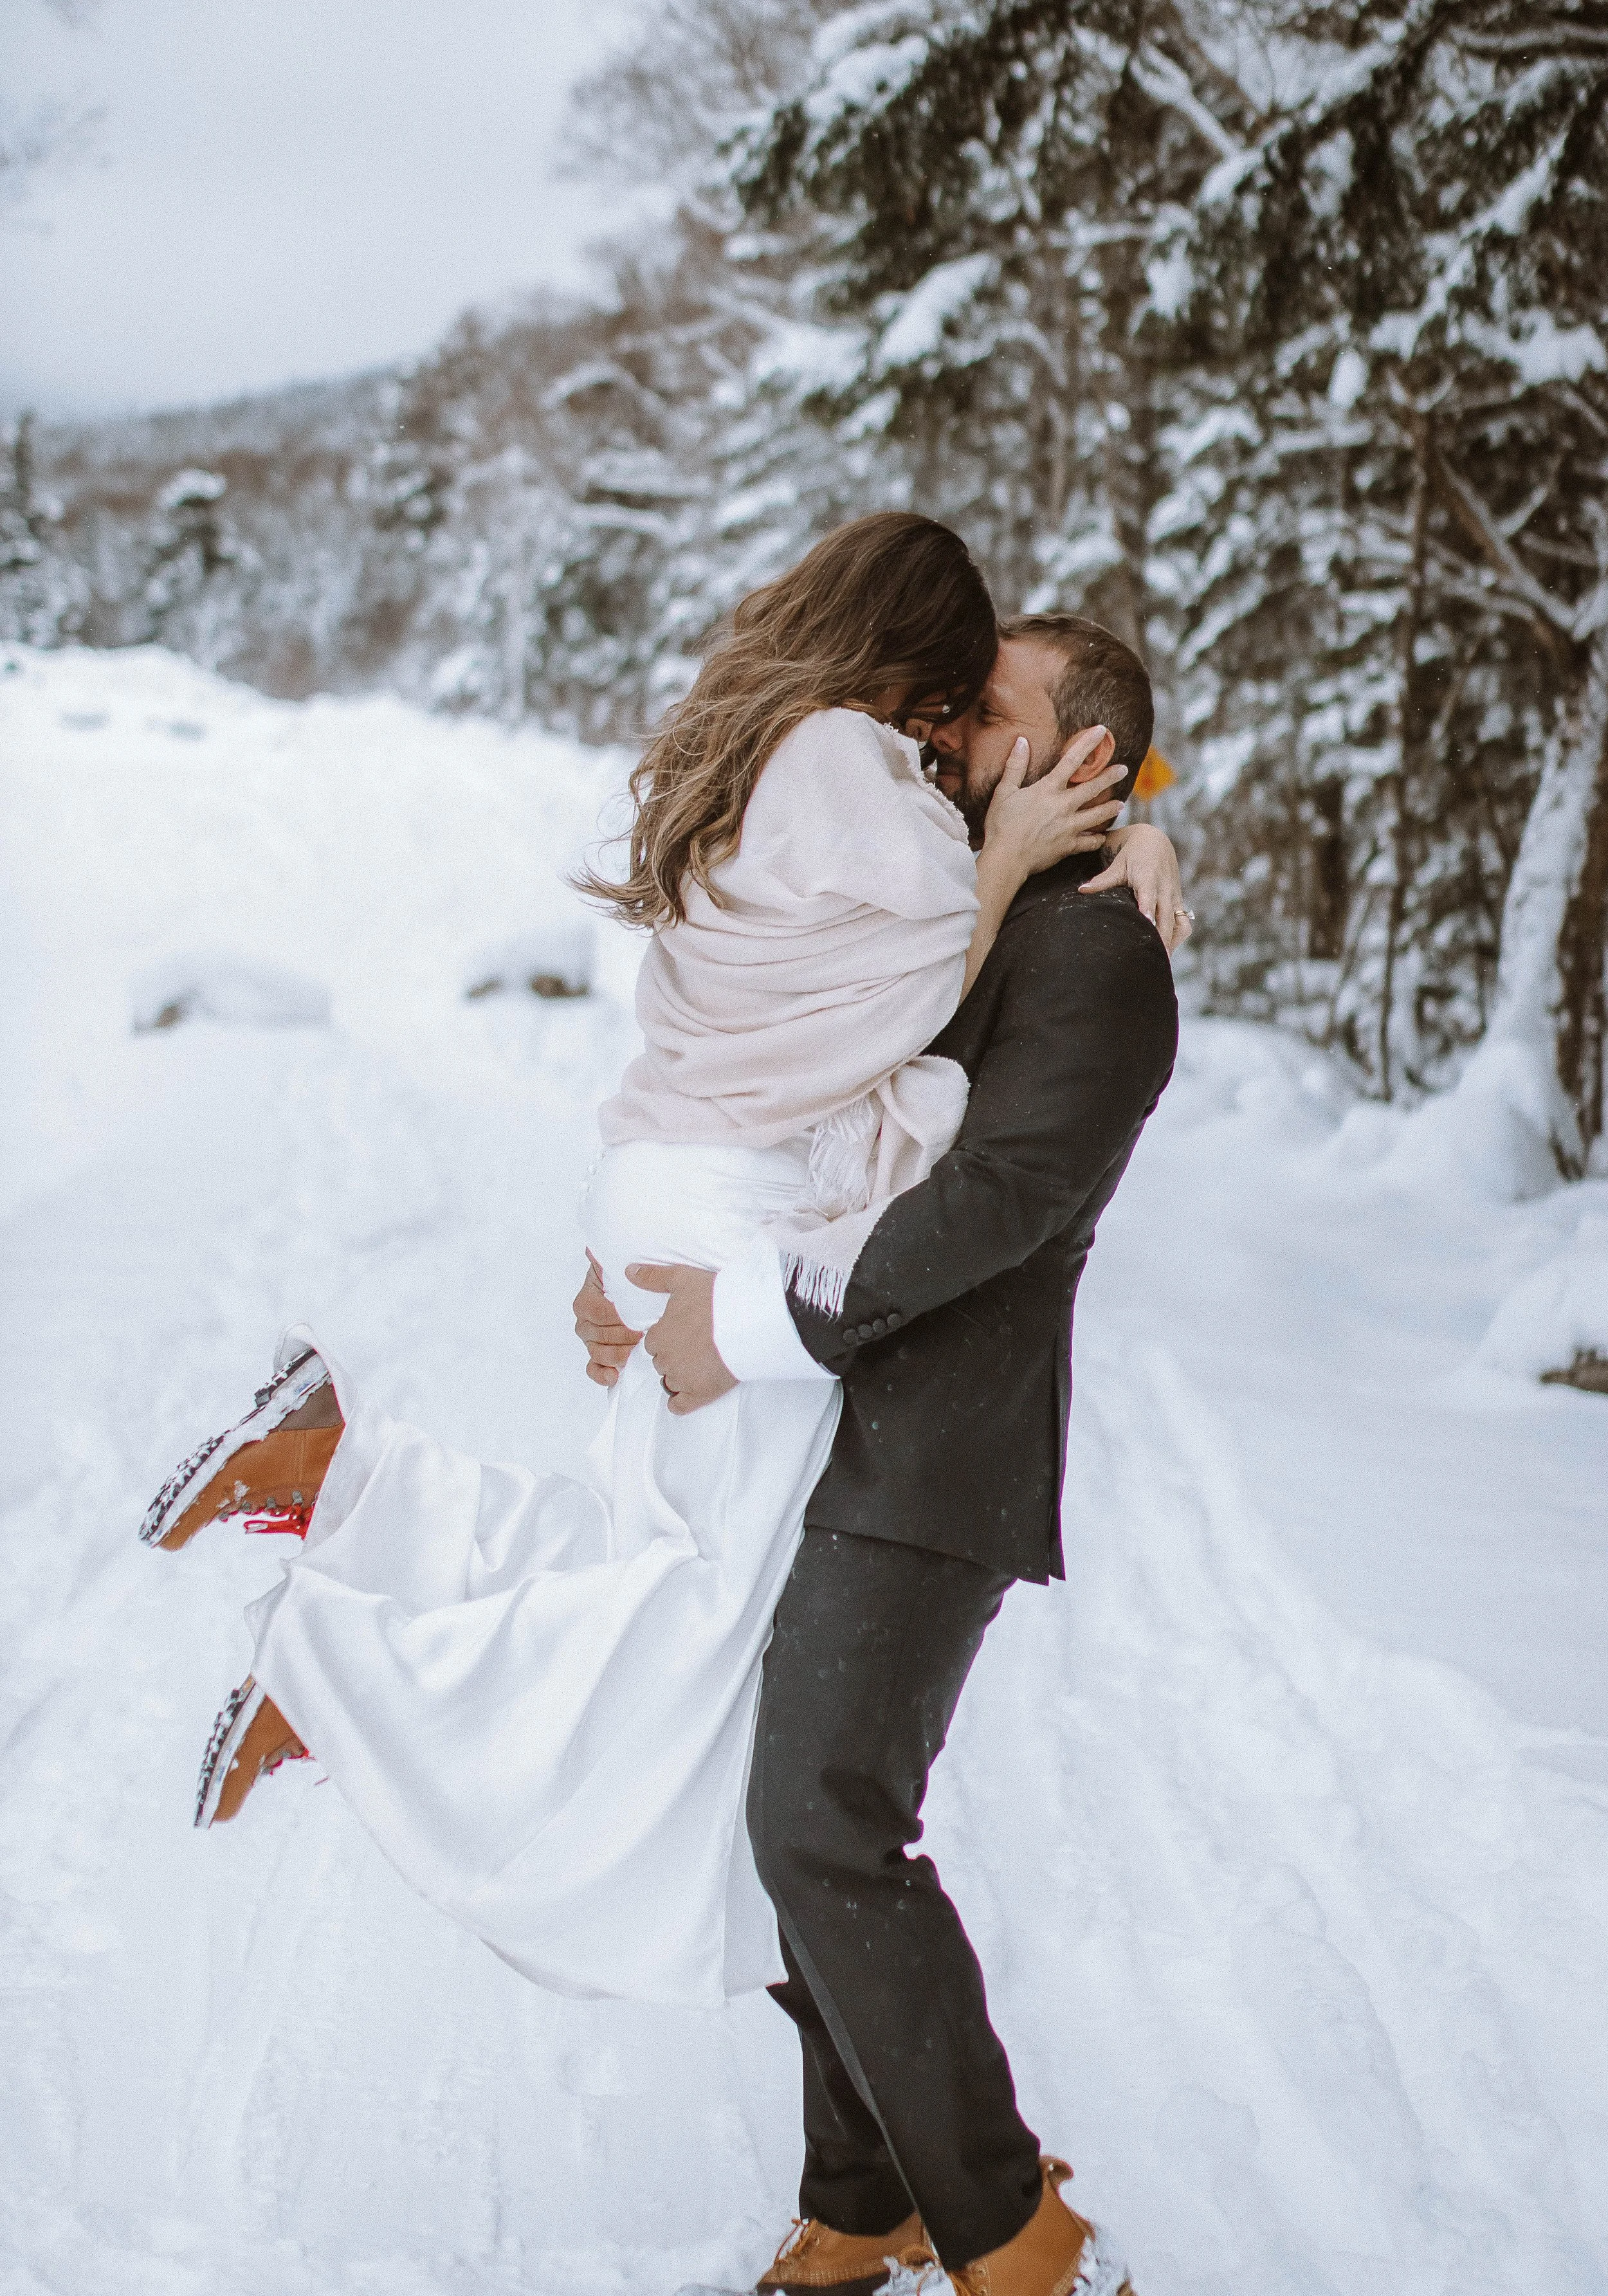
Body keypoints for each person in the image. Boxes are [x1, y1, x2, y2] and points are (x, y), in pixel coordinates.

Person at [139, 518, 1172, 2018]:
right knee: (686, 1616)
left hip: (680, 1190)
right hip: (737, 1221)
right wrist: (1041, 845)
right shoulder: (871, 791)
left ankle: (346, 1475)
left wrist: (1134, 819)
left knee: (631, 1558)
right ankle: (339, 1683)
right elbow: (908, 1015)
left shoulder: (787, 755)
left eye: (984, 712)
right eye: (953, 697)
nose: (952, 734)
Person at [576, 609, 1180, 2296]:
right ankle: (859, 2210)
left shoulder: (1103, 953)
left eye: (979, 710)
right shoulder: (967, 897)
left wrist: (740, 1316)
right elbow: (818, 1101)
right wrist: (653, 1280)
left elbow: (986, 1203)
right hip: (821, 1437)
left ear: (1078, 754)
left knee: (825, 1824)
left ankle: (1018, 2241)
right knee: (788, 1831)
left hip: (935, 1457)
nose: (937, 727)